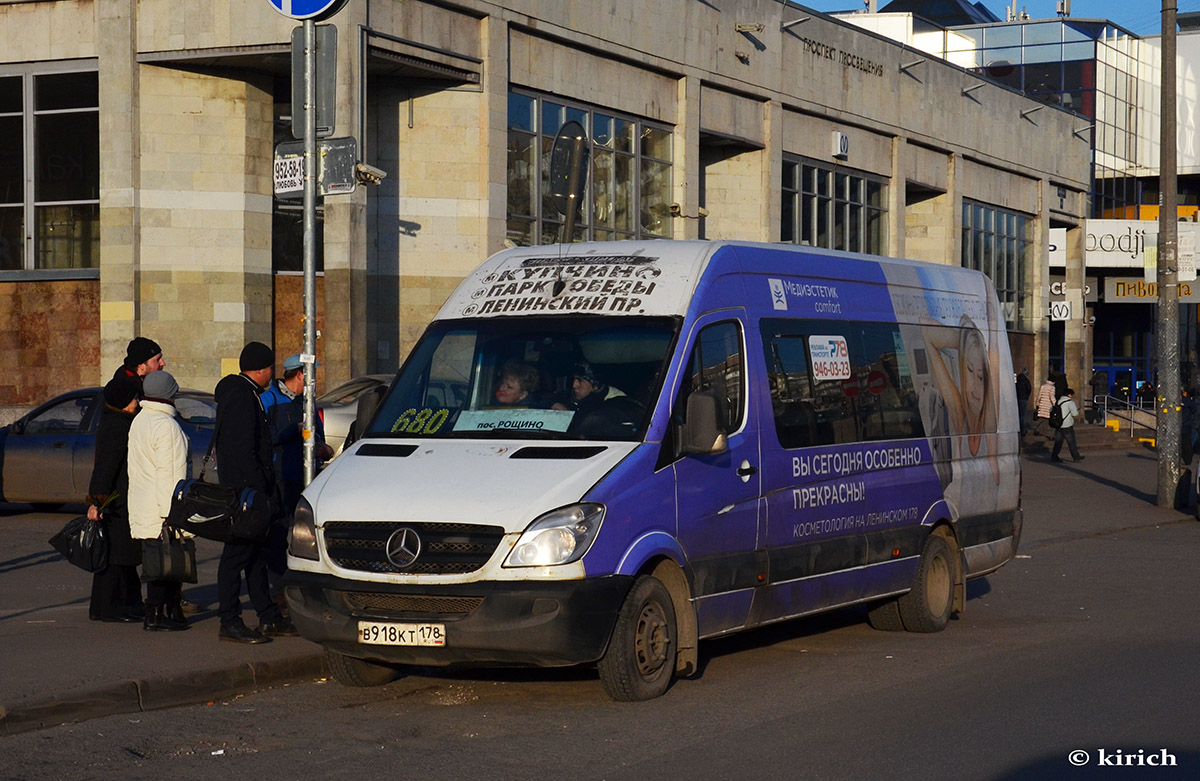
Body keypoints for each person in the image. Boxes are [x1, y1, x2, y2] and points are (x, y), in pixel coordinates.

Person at [213, 342, 297, 644]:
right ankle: (229, 620)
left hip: (252, 491)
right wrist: (256, 491)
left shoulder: (248, 394)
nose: (272, 374)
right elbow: (242, 450)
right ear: (261, 370)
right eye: (270, 369)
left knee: (257, 555)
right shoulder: (240, 397)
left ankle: (268, 616)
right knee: (236, 556)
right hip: (245, 494)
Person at [260, 353, 333, 603]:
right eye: (312, 375)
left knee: (306, 535)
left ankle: (306, 587)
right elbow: (266, 438)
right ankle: (278, 589)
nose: (315, 381)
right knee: (278, 534)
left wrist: (323, 448)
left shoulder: (309, 402)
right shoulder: (268, 399)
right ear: (301, 374)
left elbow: (318, 436)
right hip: (279, 477)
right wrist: (294, 429)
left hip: (305, 477)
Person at [126, 371, 190, 631]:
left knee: (157, 561)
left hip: (144, 501)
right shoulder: (167, 426)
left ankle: (168, 610)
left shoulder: (141, 420)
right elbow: (170, 473)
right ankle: (156, 614)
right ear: (168, 395)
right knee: (165, 563)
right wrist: (171, 512)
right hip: (162, 505)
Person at [84, 380, 144, 623]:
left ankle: (125, 602)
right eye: (133, 399)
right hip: (115, 501)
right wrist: (97, 501)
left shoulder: (118, 422)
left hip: (118, 498)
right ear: (122, 401)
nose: (136, 403)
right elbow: (105, 468)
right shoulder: (117, 427)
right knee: (116, 557)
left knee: (121, 556)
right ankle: (109, 607)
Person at [552, 361, 626, 414]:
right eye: (574, 379)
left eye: (580, 380)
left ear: (596, 386)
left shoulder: (616, 404)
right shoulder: (571, 395)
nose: (574, 385)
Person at [1050, 388, 1085, 464]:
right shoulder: (1070, 402)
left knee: (1058, 442)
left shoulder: (1057, 401)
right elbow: (1075, 414)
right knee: (1071, 442)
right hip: (1067, 425)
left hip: (1058, 425)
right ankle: (1076, 457)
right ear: (1069, 394)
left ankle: (1054, 456)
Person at [1015, 367, 1032, 438]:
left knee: (1018, 415)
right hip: (1024, 399)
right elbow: (1029, 389)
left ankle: (1018, 429)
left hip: (1018, 399)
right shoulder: (1026, 381)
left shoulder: (1017, 381)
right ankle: (1022, 430)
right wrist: (1027, 396)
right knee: (1023, 416)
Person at [1182, 387, 1196, 465]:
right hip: (1186, 424)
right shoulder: (1187, 401)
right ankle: (1188, 459)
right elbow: (1194, 409)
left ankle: (1187, 458)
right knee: (1186, 443)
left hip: (1184, 425)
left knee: (1185, 443)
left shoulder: (1184, 401)